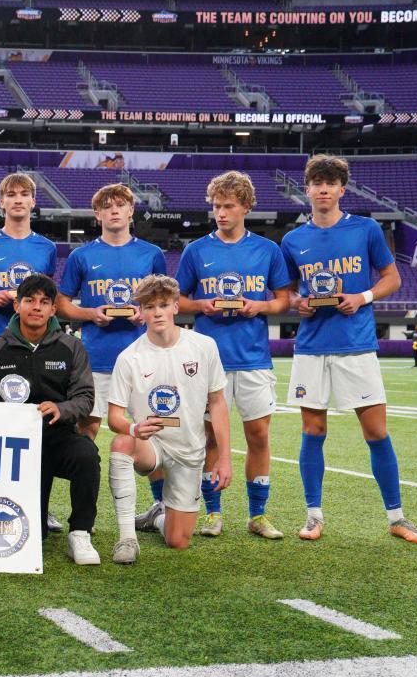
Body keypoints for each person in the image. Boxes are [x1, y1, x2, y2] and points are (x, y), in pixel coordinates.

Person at [281, 154, 417, 544]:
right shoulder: (293, 240)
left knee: (376, 431)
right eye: (317, 182)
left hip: (356, 344)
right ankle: (313, 516)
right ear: (307, 189)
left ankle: (397, 517)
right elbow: (286, 291)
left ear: (342, 189)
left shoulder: (366, 229)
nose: (324, 188)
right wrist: (298, 301)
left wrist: (362, 296)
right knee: (313, 429)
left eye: (331, 182)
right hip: (312, 346)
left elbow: (392, 278)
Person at [174, 171, 291, 540]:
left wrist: (259, 306)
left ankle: (258, 514)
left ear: (246, 207)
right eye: (216, 206)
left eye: (228, 206)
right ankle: (213, 512)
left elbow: (284, 300)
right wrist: (200, 304)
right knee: (210, 438)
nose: (220, 213)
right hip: (209, 361)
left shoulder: (268, 250)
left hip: (254, 357)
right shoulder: (196, 250)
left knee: (258, 435)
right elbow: (177, 301)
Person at [56, 183, 167, 527]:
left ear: (131, 211)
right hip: (96, 360)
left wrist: (145, 311)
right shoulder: (82, 256)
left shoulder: (151, 254)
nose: (115, 210)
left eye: (121, 205)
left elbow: (165, 303)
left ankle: (160, 506)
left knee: (151, 432)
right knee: (86, 432)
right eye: (108, 206)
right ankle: (81, 514)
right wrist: (90, 314)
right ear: (98, 215)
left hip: (142, 360)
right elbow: (61, 304)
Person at [106, 275, 230, 564]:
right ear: (141, 312)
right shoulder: (129, 357)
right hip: (151, 446)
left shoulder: (204, 346)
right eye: (150, 306)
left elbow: (218, 404)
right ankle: (126, 538)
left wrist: (224, 458)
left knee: (178, 541)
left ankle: (158, 516)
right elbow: (114, 417)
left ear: (176, 307)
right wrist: (134, 427)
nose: (157, 312)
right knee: (123, 442)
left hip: (189, 451)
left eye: (163, 305)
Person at [0, 274, 101, 564]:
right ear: (17, 305)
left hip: (58, 437)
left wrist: (62, 409)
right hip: (16, 447)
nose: (36, 307)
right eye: (29, 300)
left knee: (87, 454)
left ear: (53, 310)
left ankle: (80, 532)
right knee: (31, 537)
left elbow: (85, 397)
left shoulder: (71, 347)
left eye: (44, 302)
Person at [0, 173, 57, 345]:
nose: (18, 200)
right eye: (11, 195)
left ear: (33, 201)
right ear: (2, 202)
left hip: (35, 341)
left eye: (24, 194)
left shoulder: (48, 248)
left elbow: (49, 297)